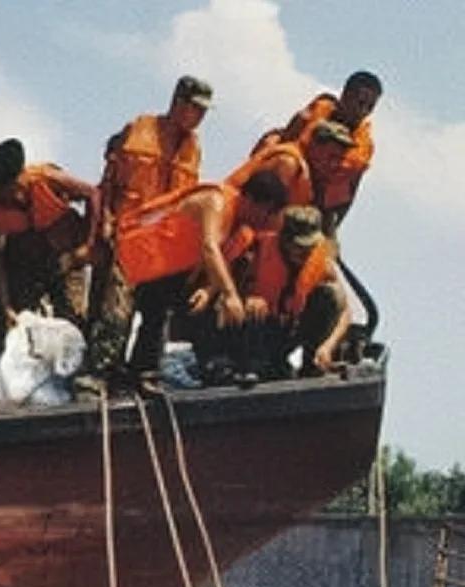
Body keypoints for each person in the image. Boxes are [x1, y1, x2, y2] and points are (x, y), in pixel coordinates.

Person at [93, 173, 290, 391]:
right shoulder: (215, 201)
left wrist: (208, 290)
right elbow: (209, 247)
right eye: (268, 212)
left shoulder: (241, 231)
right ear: (253, 201)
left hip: (165, 274)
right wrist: (229, 294)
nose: (267, 219)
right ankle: (97, 381)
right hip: (130, 260)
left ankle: (163, 371)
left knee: (180, 312)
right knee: (114, 330)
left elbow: (218, 263)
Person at [85, 76, 211, 388]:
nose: (200, 117)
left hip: (164, 244)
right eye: (196, 109)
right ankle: (102, 372)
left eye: (204, 111)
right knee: (117, 307)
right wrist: (105, 221)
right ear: (179, 103)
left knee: (157, 311)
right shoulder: (138, 131)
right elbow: (109, 181)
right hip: (129, 234)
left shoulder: (193, 148)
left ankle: (143, 370)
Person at [215, 205, 350, 386]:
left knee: (331, 294)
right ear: (285, 240)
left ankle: (311, 366)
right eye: (299, 246)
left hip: (287, 330)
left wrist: (328, 346)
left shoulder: (321, 264)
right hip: (249, 331)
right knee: (253, 309)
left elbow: (345, 311)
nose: (305, 252)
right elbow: (221, 295)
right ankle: (250, 368)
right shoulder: (255, 251)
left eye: (310, 246)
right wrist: (245, 299)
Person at [0, 138, 95, 327]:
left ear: (21, 176)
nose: (10, 196)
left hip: (65, 256)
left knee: (73, 320)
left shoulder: (47, 178)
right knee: (14, 321)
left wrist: (88, 246)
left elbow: (93, 194)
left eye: (12, 188)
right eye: (2, 191)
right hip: (25, 262)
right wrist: (6, 305)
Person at [276, 71, 381, 232]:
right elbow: (278, 152)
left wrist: (329, 232)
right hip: (279, 192)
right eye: (360, 103)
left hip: (313, 211)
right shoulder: (309, 116)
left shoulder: (363, 149)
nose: (363, 111)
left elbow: (348, 195)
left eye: (369, 107)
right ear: (345, 95)